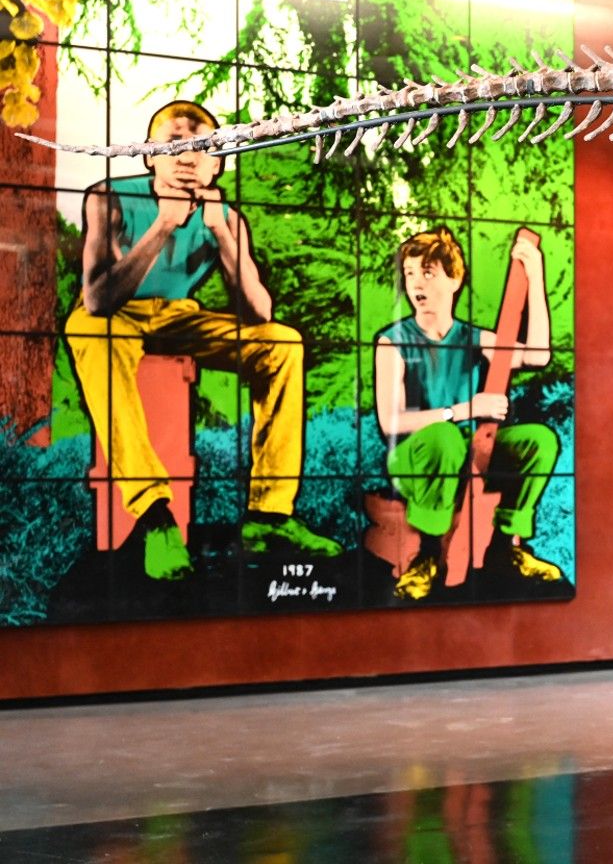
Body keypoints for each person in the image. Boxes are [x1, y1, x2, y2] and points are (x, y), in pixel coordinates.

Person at [65, 99, 339, 581]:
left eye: (203, 146)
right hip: (116, 316)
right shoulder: (109, 196)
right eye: (174, 143)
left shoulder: (225, 216)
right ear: (149, 155)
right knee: (86, 328)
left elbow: (259, 313)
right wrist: (164, 223)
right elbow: (97, 300)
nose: (188, 155)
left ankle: (269, 516)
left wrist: (221, 232)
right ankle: (155, 517)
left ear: (217, 164)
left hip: (178, 316)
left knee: (282, 343)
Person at [373, 225, 563, 599]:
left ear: (454, 280)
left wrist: (535, 274)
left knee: (538, 440)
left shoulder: (472, 338)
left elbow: (538, 356)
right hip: (414, 459)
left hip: (466, 452)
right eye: (410, 273)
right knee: (444, 437)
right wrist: (463, 410)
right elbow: (391, 422)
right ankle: (428, 555)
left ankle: (506, 547)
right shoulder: (392, 342)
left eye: (428, 273)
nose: (416, 283)